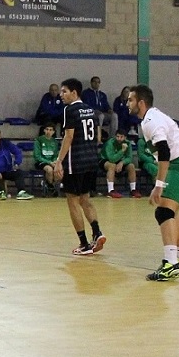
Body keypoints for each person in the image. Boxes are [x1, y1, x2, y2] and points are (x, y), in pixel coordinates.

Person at [127, 84, 179, 281]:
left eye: (130, 100)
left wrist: (158, 185)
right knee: (173, 212)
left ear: (141, 103)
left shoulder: (151, 120)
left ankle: (170, 264)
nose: (127, 103)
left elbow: (164, 151)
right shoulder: (151, 118)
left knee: (163, 211)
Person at [53, 78, 105, 256]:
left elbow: (68, 137)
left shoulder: (70, 109)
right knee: (85, 199)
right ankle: (97, 233)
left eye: (64, 91)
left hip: (75, 162)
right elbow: (97, 138)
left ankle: (84, 243)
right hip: (91, 160)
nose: (61, 95)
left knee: (72, 201)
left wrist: (59, 160)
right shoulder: (91, 110)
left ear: (74, 93)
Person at [0, 127, 34, 200]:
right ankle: (1, 192)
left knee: (19, 173)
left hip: (6, 170)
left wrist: (17, 163)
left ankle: (21, 192)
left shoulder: (6, 144)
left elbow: (18, 152)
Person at [100, 129, 139, 198]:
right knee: (112, 165)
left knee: (131, 166)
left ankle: (133, 189)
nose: (119, 139)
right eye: (117, 136)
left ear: (125, 138)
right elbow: (112, 159)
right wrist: (122, 150)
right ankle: (110, 190)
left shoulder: (128, 143)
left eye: (121, 137)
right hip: (105, 160)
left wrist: (122, 162)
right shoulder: (110, 143)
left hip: (119, 161)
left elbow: (129, 158)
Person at [33, 122, 60, 195]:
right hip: (41, 162)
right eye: (47, 129)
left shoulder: (55, 141)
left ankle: (50, 185)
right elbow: (37, 156)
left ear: (53, 132)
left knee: (59, 169)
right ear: (44, 130)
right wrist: (49, 162)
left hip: (52, 161)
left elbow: (55, 154)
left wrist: (54, 161)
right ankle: (51, 187)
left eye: (51, 130)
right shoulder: (38, 140)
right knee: (49, 170)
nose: (49, 131)